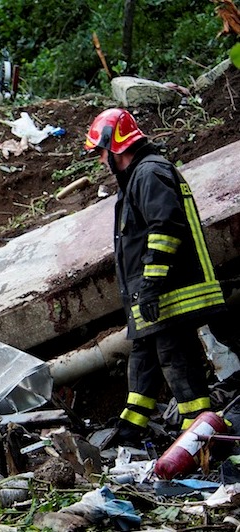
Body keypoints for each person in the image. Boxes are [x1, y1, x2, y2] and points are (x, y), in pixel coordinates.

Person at [84, 108, 230, 444]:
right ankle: (131, 428)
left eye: (100, 153)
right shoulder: (139, 177)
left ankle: (198, 436)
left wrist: (150, 286)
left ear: (115, 147)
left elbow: (166, 229)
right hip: (155, 295)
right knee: (144, 355)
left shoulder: (149, 174)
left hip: (172, 292)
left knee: (175, 355)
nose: (99, 161)